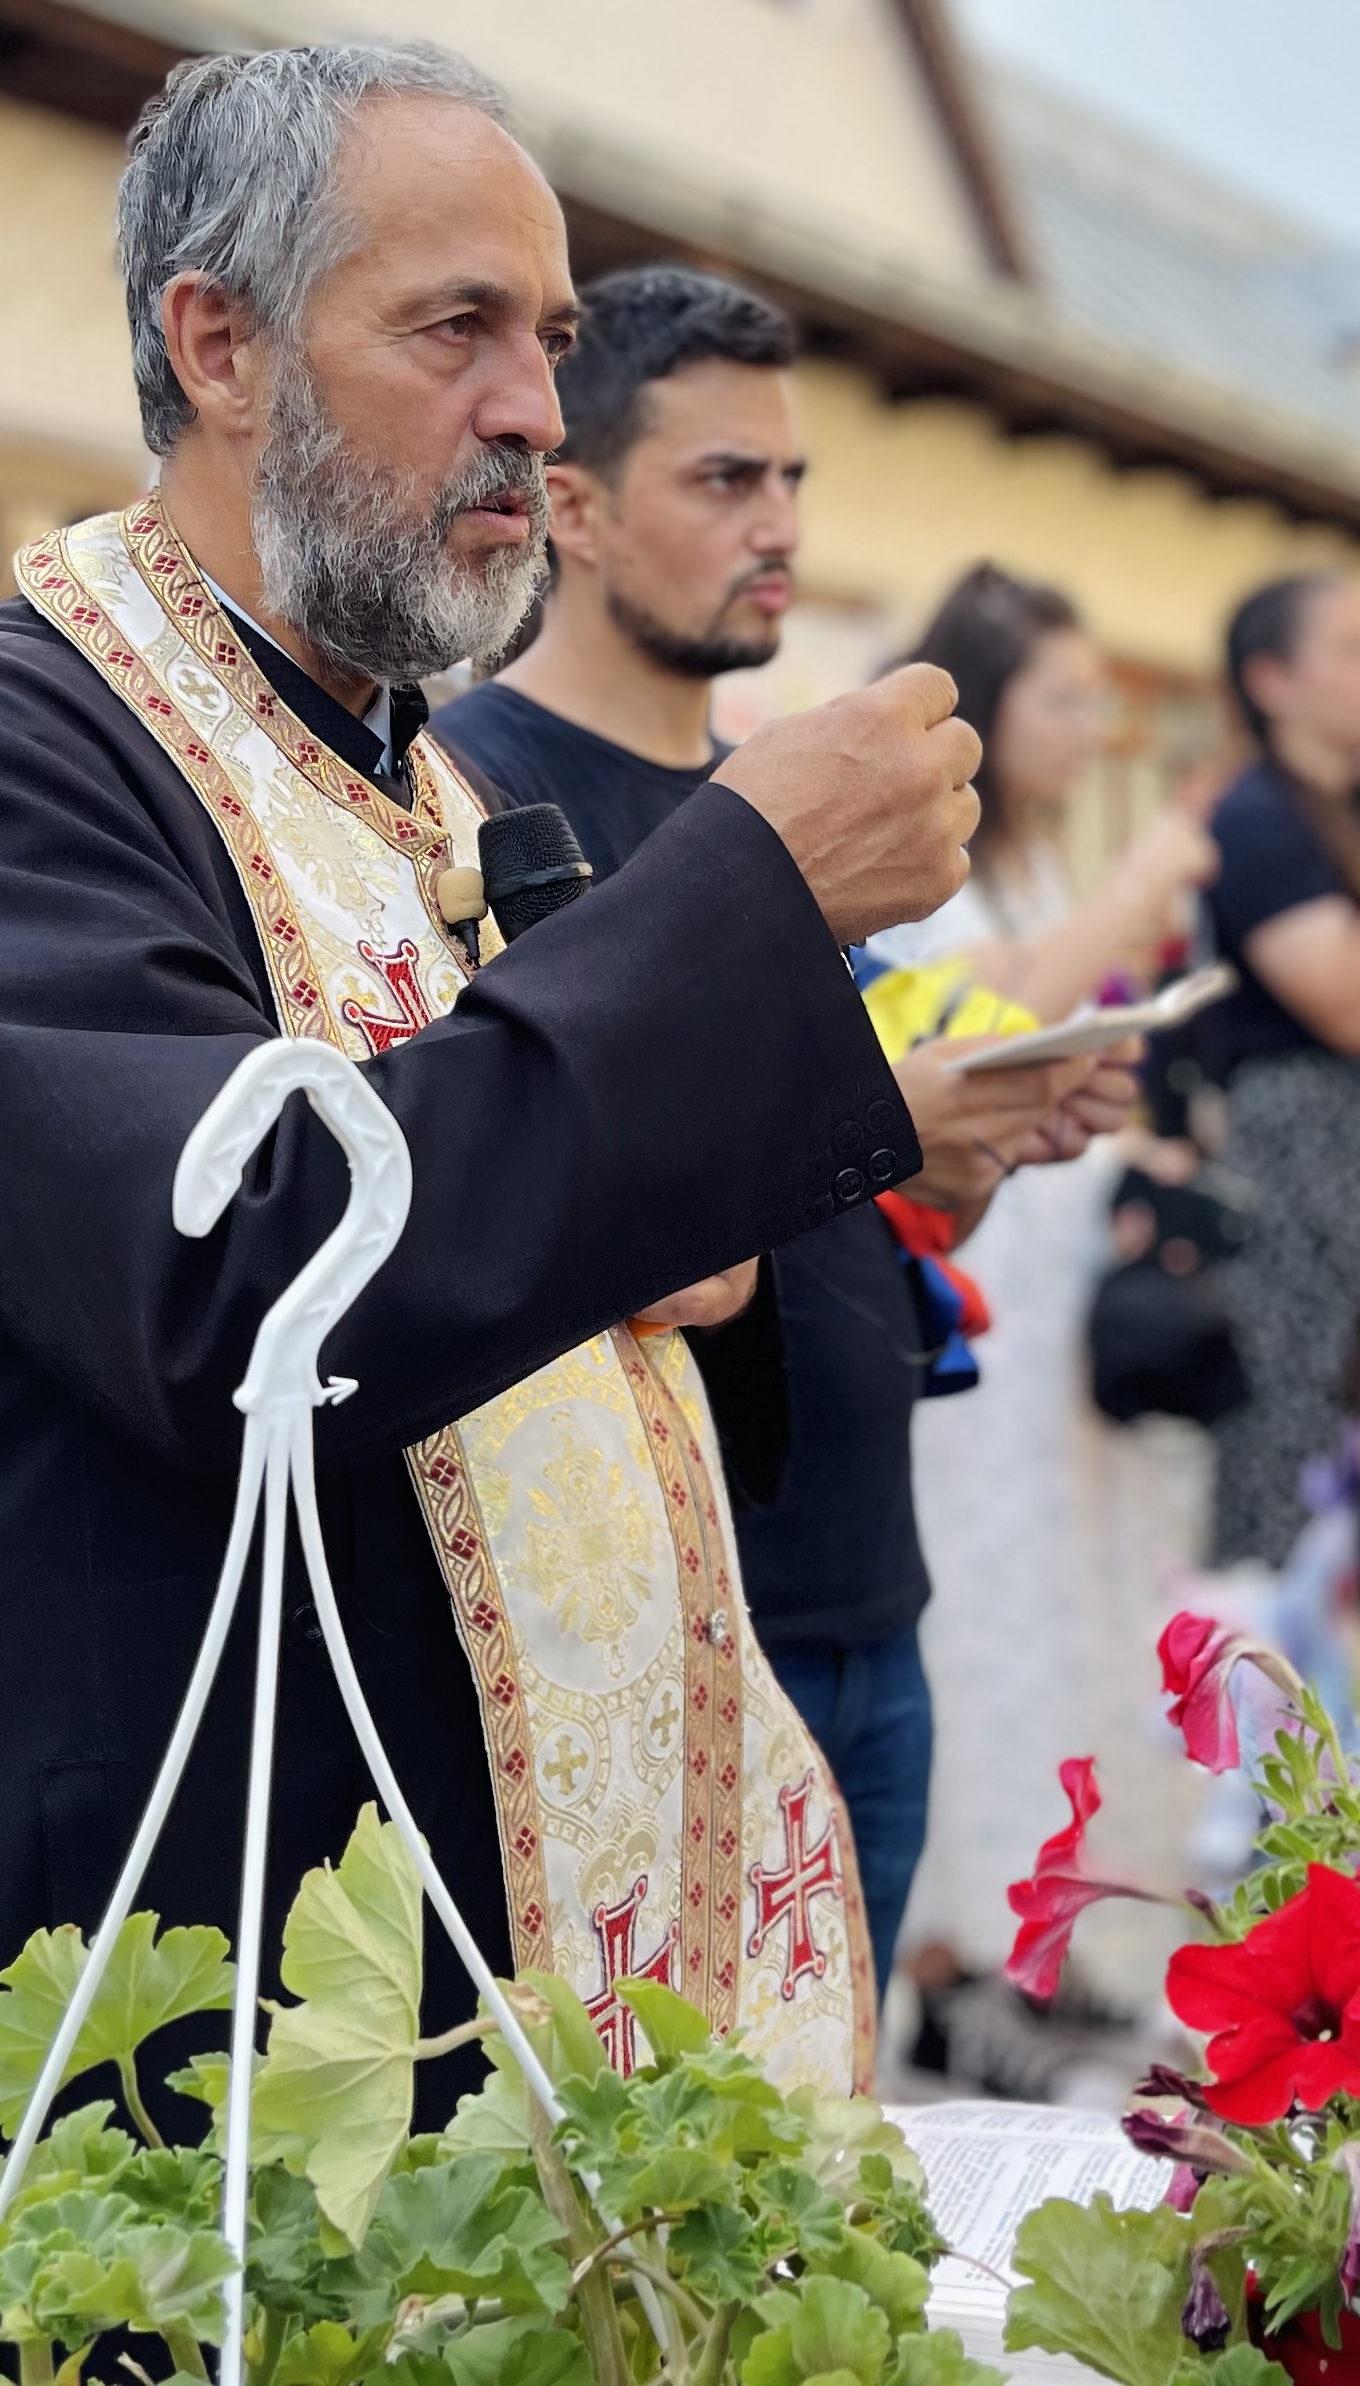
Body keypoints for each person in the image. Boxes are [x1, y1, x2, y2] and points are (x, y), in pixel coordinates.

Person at [0, 44, 1111, 2193]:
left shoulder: (436, 789)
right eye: (455, 329)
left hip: (472, 1928)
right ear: (219, 343)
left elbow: (542, 1213)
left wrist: (716, 1251)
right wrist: (746, 902)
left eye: (554, 342)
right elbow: (237, 1285)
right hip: (166, 1959)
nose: (534, 413)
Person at [432, 287, 1121, 1997]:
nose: (782, 526)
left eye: (794, 477)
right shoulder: (466, 795)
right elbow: (549, 1180)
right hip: (668, 1622)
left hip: (868, 1576)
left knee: (838, 2177)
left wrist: (968, 1126)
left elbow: (830, 1146)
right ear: (573, 507)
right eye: (727, 477)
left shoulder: (799, 790)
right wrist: (879, 1122)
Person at [864, 563, 1216, 2081]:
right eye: (1063, 697)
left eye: (1097, 699)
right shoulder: (929, 866)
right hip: (970, 1303)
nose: (1087, 726)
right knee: (978, 1609)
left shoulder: (1038, 866)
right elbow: (957, 1024)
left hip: (1059, 1287)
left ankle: (1040, 1936)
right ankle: (948, 1958)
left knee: (1072, 1613)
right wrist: (1137, 905)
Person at [1189, 574, 1360, 1568]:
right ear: (1271, 679)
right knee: (1298, 1458)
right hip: (1308, 1174)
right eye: (1351, 649)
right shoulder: (1255, 819)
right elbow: (1359, 1005)